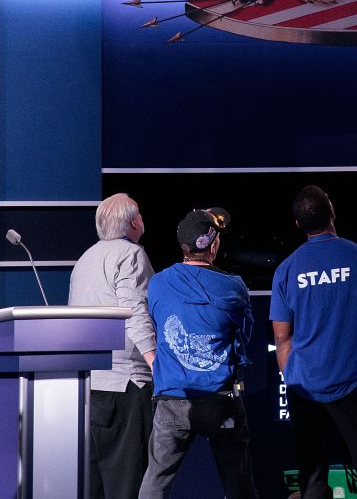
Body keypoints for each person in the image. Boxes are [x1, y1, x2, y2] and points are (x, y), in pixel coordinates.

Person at [270, 185, 357, 499]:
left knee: (313, 477)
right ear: (333, 213)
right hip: (354, 384)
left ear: (297, 225)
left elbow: (282, 337)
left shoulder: (286, 270)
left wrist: (293, 381)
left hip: (305, 387)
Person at [138, 207, 258, 499]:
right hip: (220, 401)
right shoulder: (234, 287)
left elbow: (157, 324)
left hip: (172, 400)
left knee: (156, 481)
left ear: (183, 247)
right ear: (214, 245)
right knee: (238, 482)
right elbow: (245, 337)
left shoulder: (158, 283)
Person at [68, 193, 156, 499]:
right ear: (133, 222)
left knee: (95, 484)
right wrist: (157, 363)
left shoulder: (84, 260)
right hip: (127, 386)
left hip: (91, 386)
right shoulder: (131, 255)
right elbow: (134, 311)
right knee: (128, 483)